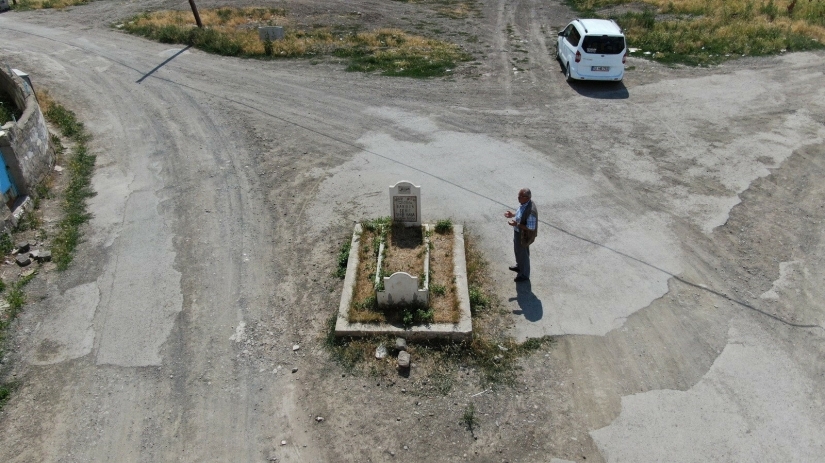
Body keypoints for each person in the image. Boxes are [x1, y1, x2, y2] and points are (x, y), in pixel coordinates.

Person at [504, 188, 538, 282]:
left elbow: (531, 227)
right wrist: (512, 215)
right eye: (518, 196)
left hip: (524, 236)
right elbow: (520, 213)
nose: (518, 198)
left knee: (523, 254)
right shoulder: (524, 203)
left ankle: (524, 275)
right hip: (518, 232)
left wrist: (517, 224)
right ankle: (519, 266)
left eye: (520, 196)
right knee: (518, 251)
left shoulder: (531, 211)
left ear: (527, 197)